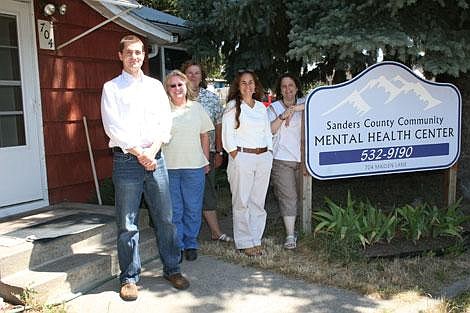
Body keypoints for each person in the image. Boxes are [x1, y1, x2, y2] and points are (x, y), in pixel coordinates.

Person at [101, 35, 189, 301]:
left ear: (144, 55)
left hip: (156, 159)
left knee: (166, 219)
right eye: (129, 53)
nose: (134, 57)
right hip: (128, 161)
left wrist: (151, 152)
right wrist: (140, 153)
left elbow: (165, 122)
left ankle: (172, 268)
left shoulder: (154, 87)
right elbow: (113, 127)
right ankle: (129, 278)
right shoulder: (111, 89)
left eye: (139, 53)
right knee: (128, 223)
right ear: (120, 56)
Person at [163, 70, 214, 261]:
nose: (177, 89)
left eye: (180, 85)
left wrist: (206, 160)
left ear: (186, 87)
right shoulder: (161, 109)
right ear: (167, 89)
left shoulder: (197, 108)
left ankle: (191, 242)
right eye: (172, 85)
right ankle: (179, 245)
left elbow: (204, 135)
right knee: (175, 209)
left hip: (194, 166)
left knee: (193, 207)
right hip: (168, 168)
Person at [222, 69, 273, 257]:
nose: (247, 85)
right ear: (238, 85)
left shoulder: (260, 107)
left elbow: (267, 132)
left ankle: (256, 238)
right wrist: (236, 155)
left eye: (251, 82)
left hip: (263, 157)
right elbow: (227, 136)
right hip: (242, 157)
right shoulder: (233, 106)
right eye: (243, 82)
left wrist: (269, 153)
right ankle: (244, 242)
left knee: (258, 202)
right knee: (242, 201)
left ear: (255, 85)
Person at [181, 60, 233, 243]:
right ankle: (185, 235)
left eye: (197, 73)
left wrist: (219, 152)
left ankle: (215, 231)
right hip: (181, 155)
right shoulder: (176, 96)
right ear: (183, 75)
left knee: (207, 192)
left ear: (202, 76)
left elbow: (219, 125)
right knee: (183, 194)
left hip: (207, 153)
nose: (193, 76)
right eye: (190, 72)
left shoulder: (211, 98)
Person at [267, 73, 305, 249]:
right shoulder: (273, 108)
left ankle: (299, 229)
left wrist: (297, 109)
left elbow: (322, 106)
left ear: (297, 88)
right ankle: (290, 235)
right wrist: (284, 115)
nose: (288, 89)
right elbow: (269, 131)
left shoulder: (306, 103)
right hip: (282, 159)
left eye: (291, 86)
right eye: (284, 87)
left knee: (300, 196)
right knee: (288, 197)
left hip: (304, 160)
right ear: (280, 90)